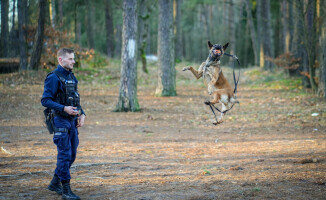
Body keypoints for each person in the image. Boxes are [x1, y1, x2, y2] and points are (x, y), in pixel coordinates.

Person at [41, 48, 85, 200]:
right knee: (64, 155)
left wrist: (82, 113)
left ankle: (54, 183)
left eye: (74, 58)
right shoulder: (53, 77)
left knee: (71, 155)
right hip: (60, 120)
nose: (74, 61)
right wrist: (63, 108)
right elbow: (45, 100)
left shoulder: (72, 77)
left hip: (72, 121)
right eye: (71, 59)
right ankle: (66, 190)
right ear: (61, 60)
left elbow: (75, 98)